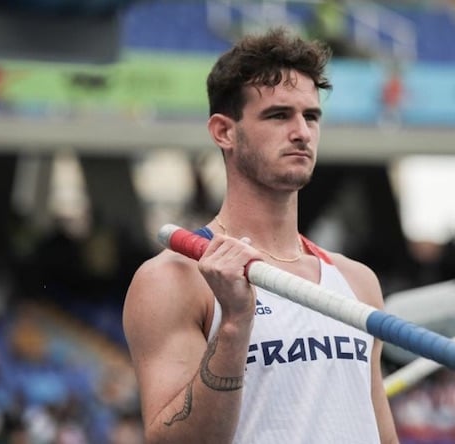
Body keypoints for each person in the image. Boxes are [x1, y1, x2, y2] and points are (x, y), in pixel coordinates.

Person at [122, 27, 399, 444]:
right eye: (278, 115)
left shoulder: (358, 283)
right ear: (224, 132)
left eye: (311, 116)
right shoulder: (174, 280)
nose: (302, 132)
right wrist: (234, 324)